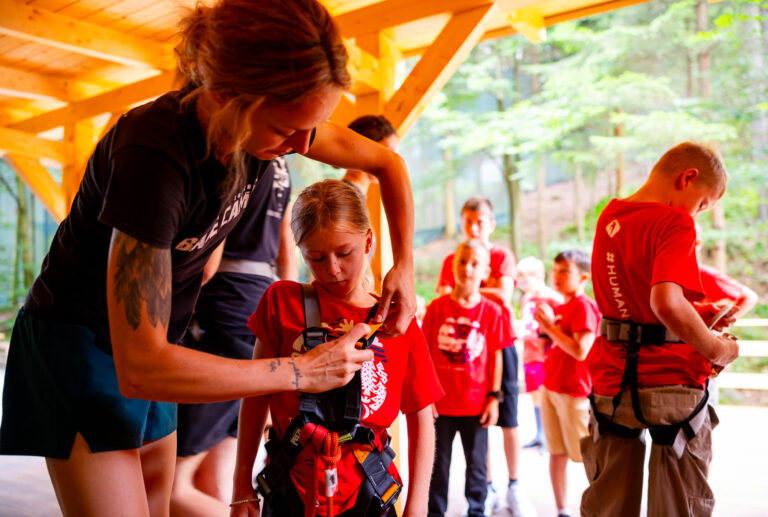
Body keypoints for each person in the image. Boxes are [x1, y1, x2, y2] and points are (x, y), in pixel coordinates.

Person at [0, 2, 418, 515]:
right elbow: (140, 367)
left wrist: (404, 267)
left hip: (157, 347)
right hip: (81, 347)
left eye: (310, 129)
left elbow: (387, 163)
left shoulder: (274, 132)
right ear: (227, 97)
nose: (300, 145)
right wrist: (298, 371)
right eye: (287, 130)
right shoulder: (154, 160)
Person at [232, 179, 442, 517]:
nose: (332, 269)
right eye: (315, 257)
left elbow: (421, 417)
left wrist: (417, 507)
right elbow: (256, 395)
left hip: (367, 493)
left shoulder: (396, 322)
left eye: (344, 253)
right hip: (291, 488)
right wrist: (241, 487)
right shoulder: (282, 304)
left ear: (369, 241)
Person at [581, 142, 740, 517]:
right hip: (672, 384)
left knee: (608, 506)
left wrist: (699, 313)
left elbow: (631, 303)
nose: (697, 215)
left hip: (613, 382)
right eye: (702, 204)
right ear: (688, 178)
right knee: (678, 506)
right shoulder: (675, 222)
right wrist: (718, 349)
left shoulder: (611, 216)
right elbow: (665, 304)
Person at [170, 157, 298, 516]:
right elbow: (286, 235)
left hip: (224, 304)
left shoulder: (236, 154)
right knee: (216, 482)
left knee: (168, 487)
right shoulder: (282, 163)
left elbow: (209, 259)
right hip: (262, 299)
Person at [436, 196, 532, 517]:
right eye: (468, 221)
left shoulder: (502, 255)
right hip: (458, 350)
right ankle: (486, 487)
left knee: (506, 415)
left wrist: (471, 289)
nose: (474, 227)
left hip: (496, 343)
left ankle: (514, 484)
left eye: (480, 222)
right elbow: (442, 296)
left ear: (491, 224)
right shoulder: (454, 257)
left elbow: (504, 295)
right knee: (468, 434)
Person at [424, 239, 509, 517]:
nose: (467, 269)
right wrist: (427, 398)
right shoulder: (436, 309)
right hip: (441, 407)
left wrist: (494, 398)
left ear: (485, 271)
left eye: (475, 264)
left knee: (477, 468)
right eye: (462, 261)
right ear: (452, 266)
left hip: (476, 406)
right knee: (437, 467)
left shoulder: (492, 312)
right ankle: (435, 512)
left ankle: (476, 511)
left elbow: (496, 356)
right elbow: (425, 355)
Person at [533, 250, 600, 517]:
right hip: (551, 386)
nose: (557, 276)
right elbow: (543, 347)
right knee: (556, 452)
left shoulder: (585, 306)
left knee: (587, 457)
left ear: (583, 276)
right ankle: (562, 509)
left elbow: (581, 350)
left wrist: (550, 327)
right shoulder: (559, 307)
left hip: (576, 391)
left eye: (565, 271)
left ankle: (598, 507)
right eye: (555, 270)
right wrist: (544, 326)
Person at [515, 256, 563, 449]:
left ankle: (553, 436)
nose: (521, 281)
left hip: (545, 355)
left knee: (548, 395)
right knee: (535, 394)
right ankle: (540, 434)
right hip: (529, 354)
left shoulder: (552, 297)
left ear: (539, 275)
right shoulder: (527, 298)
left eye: (525, 276)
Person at [342, 114, 399, 197]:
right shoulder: (345, 197)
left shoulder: (354, 195)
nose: (391, 161)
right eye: (387, 152)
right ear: (362, 149)